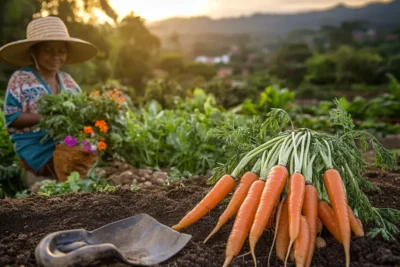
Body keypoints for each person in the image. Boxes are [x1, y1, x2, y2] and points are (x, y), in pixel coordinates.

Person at [0, 16, 97, 187]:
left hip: (65, 143)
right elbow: (12, 117)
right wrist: (48, 119)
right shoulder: (21, 79)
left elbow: (81, 112)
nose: (56, 57)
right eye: (48, 50)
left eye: (61, 51)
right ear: (34, 52)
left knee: (88, 154)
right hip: (36, 148)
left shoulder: (67, 81)